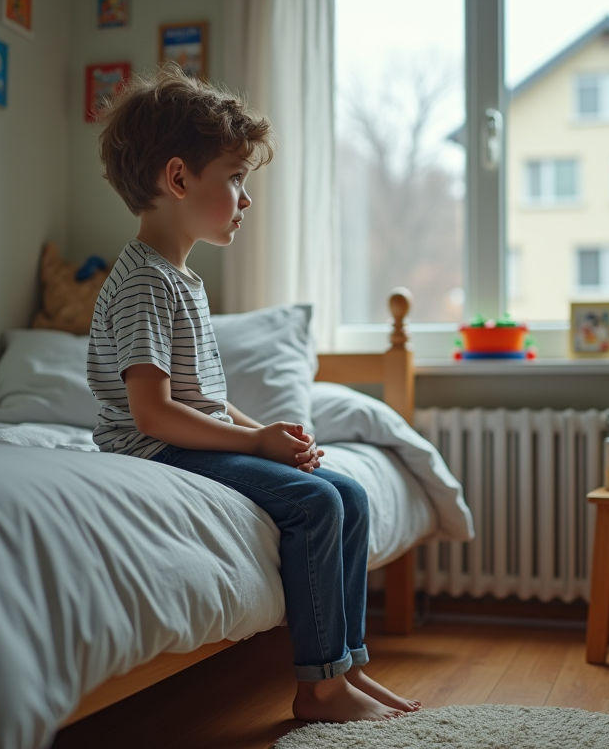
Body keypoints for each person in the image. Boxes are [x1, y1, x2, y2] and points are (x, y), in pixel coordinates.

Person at [87, 64, 420, 723]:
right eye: (235, 179)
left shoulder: (180, 279)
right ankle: (319, 688)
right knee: (316, 506)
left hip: (184, 438)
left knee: (348, 493)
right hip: (154, 451)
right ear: (178, 179)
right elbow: (152, 412)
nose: (246, 198)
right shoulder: (145, 283)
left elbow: (202, 395)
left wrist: (266, 431)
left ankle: (348, 666)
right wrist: (252, 442)